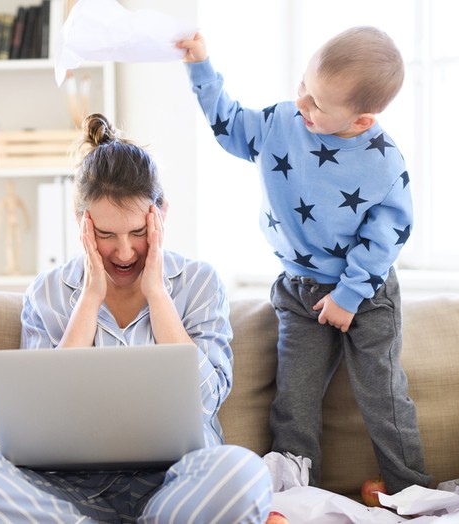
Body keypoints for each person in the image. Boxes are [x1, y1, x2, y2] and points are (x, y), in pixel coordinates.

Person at [0, 113, 273, 523]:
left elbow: (203, 400)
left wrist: (157, 292)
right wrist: (91, 295)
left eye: (138, 231)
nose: (123, 252)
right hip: (60, 490)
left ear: (161, 214)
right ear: (82, 222)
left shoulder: (199, 283)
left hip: (175, 483)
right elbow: (43, 415)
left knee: (244, 476)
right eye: (105, 235)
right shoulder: (48, 293)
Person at [176, 27, 432, 494]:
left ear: (361, 120)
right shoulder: (281, 123)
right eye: (303, 87)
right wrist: (200, 65)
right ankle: (293, 493)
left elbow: (387, 235)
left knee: (383, 396)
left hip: (367, 294)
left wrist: (349, 295)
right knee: (294, 400)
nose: (302, 104)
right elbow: (229, 125)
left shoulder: (383, 162)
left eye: (317, 104)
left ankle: (411, 490)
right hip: (301, 291)